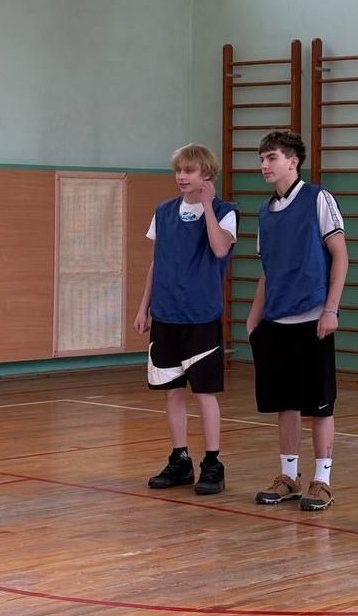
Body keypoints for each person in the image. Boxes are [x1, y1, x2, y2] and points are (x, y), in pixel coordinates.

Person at [246, 130, 348, 511]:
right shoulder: (265, 212)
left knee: (319, 406)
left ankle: (322, 481)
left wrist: (331, 308)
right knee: (284, 403)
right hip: (276, 322)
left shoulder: (318, 199)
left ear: (293, 161)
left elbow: (340, 256)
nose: (264, 165)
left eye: (271, 157)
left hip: (313, 319)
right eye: (261, 159)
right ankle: (288, 476)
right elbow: (267, 271)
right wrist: (254, 319)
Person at [134, 143, 237, 496]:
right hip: (166, 313)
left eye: (189, 170)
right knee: (172, 392)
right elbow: (157, 261)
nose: (181, 176)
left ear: (206, 174)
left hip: (201, 314)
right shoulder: (163, 212)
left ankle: (212, 463)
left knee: (204, 393)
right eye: (178, 170)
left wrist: (207, 205)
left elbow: (220, 248)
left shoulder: (225, 211)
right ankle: (180, 460)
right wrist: (144, 306)